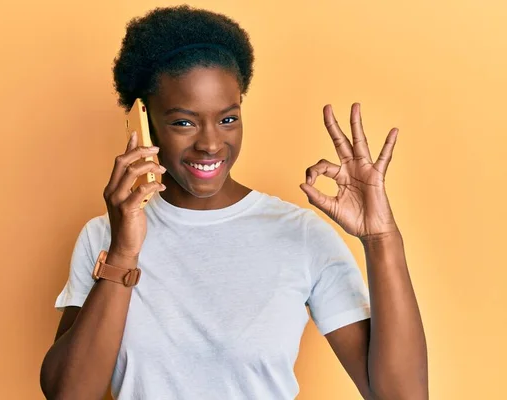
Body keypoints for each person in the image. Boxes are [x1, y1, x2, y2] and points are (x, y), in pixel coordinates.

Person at [40, 5, 428, 400]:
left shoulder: (302, 236)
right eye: (184, 122)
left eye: (227, 119)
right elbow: (68, 395)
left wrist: (382, 240)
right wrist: (123, 253)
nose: (210, 143)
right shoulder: (104, 237)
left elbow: (402, 396)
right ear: (144, 120)